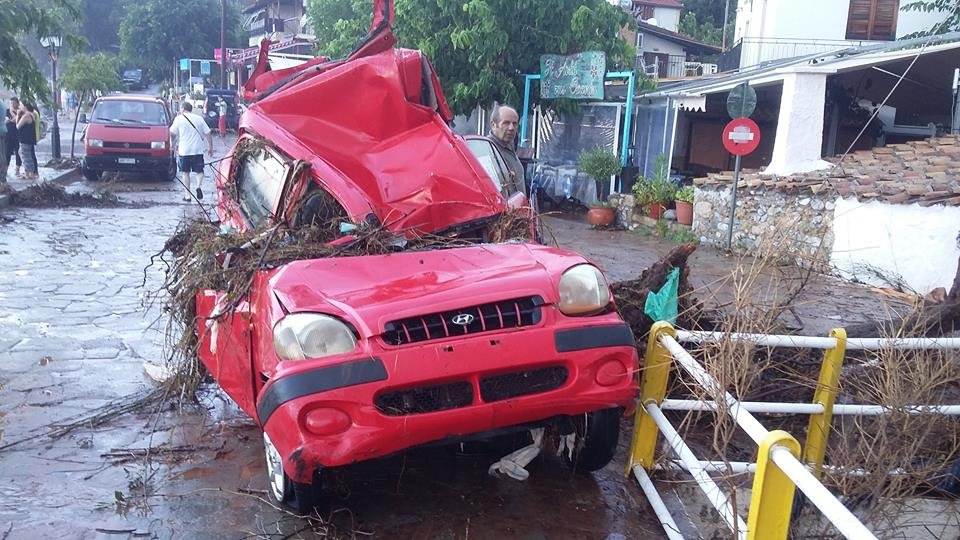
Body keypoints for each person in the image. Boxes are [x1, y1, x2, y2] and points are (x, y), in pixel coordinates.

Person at [169, 101, 213, 202]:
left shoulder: (178, 119)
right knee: (199, 171)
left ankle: (187, 195)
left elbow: (172, 133)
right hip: (197, 150)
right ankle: (198, 186)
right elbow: (208, 133)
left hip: (184, 151)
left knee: (185, 172)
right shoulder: (199, 118)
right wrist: (210, 147)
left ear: (182, 108)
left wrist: (172, 144)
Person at [487, 104, 525, 196]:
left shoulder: (508, 147)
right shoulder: (488, 150)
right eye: (506, 123)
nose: (511, 128)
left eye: (514, 123)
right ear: (493, 125)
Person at [16, 102, 38, 180]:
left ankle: (30, 173)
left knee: (26, 155)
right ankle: (28, 172)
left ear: (25, 107)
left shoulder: (26, 116)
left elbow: (18, 126)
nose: (19, 106)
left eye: (21, 105)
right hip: (28, 138)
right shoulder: (31, 114)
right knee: (23, 153)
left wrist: (18, 115)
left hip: (25, 139)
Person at [8, 97, 21, 177]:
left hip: (18, 135)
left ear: (17, 103)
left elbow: (16, 120)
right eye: (11, 103)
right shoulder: (7, 111)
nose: (12, 105)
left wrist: (13, 118)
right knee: (7, 152)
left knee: (18, 152)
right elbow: (5, 120)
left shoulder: (20, 112)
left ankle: (17, 168)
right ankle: (6, 168)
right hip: (9, 135)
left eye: (13, 103)